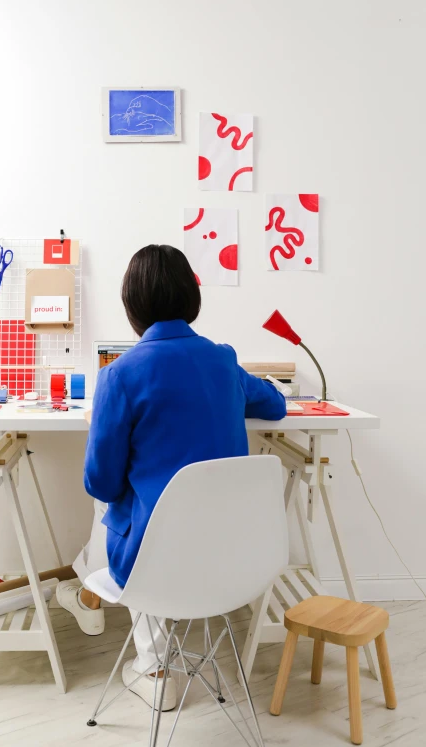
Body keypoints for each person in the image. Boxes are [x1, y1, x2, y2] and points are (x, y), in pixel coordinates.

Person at [57, 244, 286, 711]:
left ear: (131, 306)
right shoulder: (223, 361)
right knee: (152, 503)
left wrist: (102, 425)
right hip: (231, 559)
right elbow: (276, 405)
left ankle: (152, 666)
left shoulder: (119, 376)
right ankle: (86, 590)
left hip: (155, 565)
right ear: (190, 300)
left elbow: (100, 483)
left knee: (120, 502)